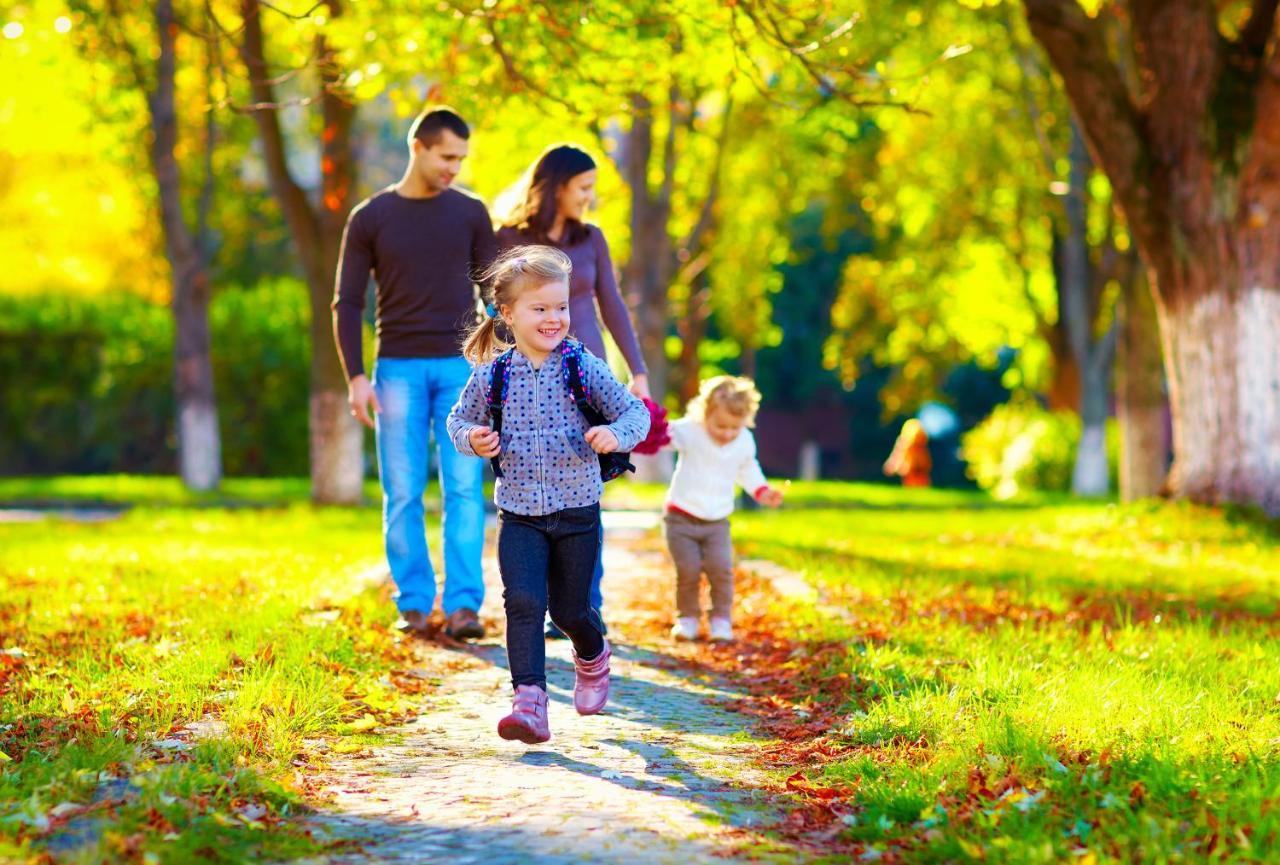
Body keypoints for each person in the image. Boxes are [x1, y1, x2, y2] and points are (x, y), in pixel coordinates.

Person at [446, 245, 650, 744]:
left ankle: (592, 653)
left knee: (569, 611)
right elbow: (458, 420)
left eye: (560, 307)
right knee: (522, 601)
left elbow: (635, 413)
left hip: (578, 510)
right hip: (519, 514)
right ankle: (530, 701)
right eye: (541, 309)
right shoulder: (491, 375)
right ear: (508, 315)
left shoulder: (582, 367)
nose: (555, 318)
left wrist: (615, 436)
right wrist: (473, 439)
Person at [332, 107, 496, 641]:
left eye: (461, 159)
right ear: (419, 147)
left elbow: (493, 293)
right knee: (401, 491)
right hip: (395, 370)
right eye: (448, 156)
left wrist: (497, 360)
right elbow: (348, 301)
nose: (455, 167)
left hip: (460, 371)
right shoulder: (371, 217)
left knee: (465, 489)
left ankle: (465, 605)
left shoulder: (471, 213)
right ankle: (415, 603)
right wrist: (356, 376)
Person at [495, 144, 650, 638]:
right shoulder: (511, 238)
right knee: (534, 492)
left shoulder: (592, 239)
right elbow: (498, 311)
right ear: (556, 185)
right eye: (583, 187)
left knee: (584, 493)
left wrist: (637, 370)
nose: (589, 197)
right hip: (530, 381)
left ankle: (583, 608)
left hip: (587, 382)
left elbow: (613, 305)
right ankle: (540, 604)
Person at [663, 376, 784, 643]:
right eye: (720, 425)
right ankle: (688, 618)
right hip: (681, 517)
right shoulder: (689, 430)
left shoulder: (744, 441)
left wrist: (762, 491)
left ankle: (720, 619)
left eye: (734, 427)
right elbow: (662, 436)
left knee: (721, 569)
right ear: (705, 413)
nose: (727, 433)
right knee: (689, 570)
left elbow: (748, 469)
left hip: (717, 522)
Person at [883, 418, 932, 487]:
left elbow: (926, 460)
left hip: (918, 468)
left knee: (920, 480)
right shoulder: (905, 443)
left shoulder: (921, 446)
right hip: (909, 468)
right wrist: (892, 465)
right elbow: (897, 455)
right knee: (911, 480)